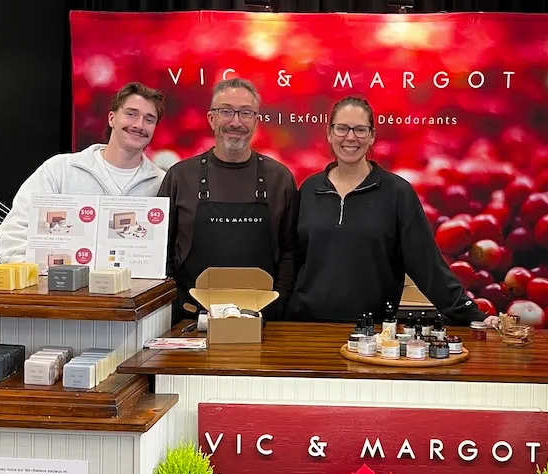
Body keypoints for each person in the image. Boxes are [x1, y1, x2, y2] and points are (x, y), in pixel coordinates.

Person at [287, 95, 480, 325]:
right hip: (306, 326)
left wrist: (470, 314)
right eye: (342, 129)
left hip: (372, 332)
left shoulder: (397, 192)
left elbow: (426, 265)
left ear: (372, 136)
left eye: (360, 130)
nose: (350, 137)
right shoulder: (309, 188)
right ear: (329, 133)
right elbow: (292, 259)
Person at [159, 77, 298, 311]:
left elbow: (290, 251)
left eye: (245, 113)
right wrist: (177, 302)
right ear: (211, 119)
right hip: (190, 317)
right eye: (226, 112)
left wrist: (277, 302)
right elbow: (162, 248)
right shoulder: (179, 176)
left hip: (263, 316)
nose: (236, 122)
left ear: (256, 121)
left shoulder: (280, 179)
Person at [0, 82, 166, 263]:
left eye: (149, 119)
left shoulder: (162, 182)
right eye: (131, 114)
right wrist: (38, 278)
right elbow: (14, 234)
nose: (139, 124)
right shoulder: (60, 170)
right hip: (57, 287)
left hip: (137, 290)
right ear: (111, 118)